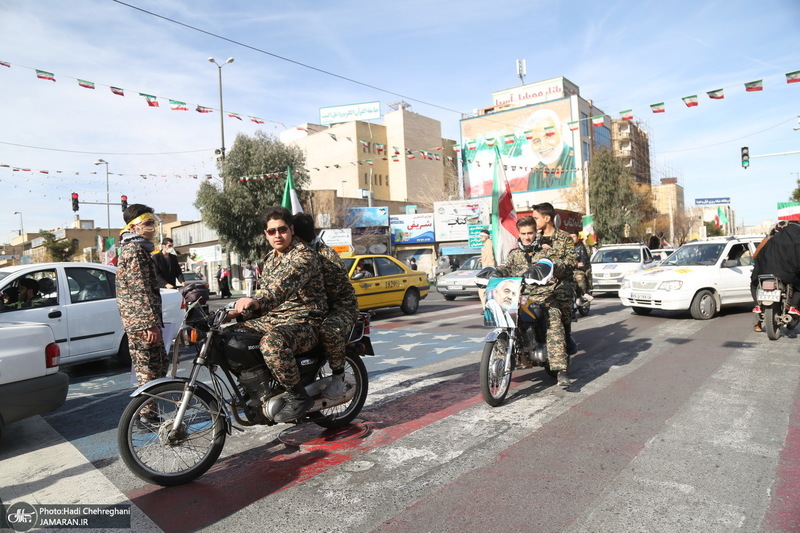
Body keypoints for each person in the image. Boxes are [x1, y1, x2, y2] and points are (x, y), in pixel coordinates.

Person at [230, 207, 327, 423]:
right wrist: (234, 312)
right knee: (232, 336)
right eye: (271, 231)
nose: (277, 235)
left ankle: (298, 396)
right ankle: (259, 387)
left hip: (306, 320)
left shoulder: (304, 256)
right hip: (276, 318)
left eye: (282, 229)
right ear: (265, 234)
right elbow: (265, 291)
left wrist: (256, 302)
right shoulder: (270, 259)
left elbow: (280, 289)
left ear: (291, 229)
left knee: (272, 343)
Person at [496, 204, 576, 387]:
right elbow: (506, 267)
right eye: (523, 234)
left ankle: (561, 370)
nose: (527, 237)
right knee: (502, 315)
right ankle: (502, 353)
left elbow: (560, 265)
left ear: (535, 233)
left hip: (544, 296)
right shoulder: (515, 254)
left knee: (554, 320)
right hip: (520, 295)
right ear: (519, 234)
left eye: (530, 233)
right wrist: (495, 272)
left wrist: (550, 267)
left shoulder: (546, 251)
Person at [292, 213, 359, 400]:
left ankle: (338, 377)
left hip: (340, 306)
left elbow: (332, 293)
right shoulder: (296, 253)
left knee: (329, 330)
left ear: (296, 235)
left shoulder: (326, 257)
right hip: (313, 307)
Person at [116, 203, 169, 423]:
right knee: (149, 370)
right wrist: (149, 324)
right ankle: (146, 416)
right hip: (141, 323)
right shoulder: (135, 251)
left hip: (140, 321)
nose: (152, 228)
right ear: (134, 227)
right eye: (147, 224)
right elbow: (139, 289)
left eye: (153, 223)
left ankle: (148, 412)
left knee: (158, 366)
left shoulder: (136, 249)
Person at [750, 221, 800, 332]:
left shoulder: (767, 240)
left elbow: (755, 256)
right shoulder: (793, 241)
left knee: (755, 286)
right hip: (786, 274)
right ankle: (793, 306)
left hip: (764, 273)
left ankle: (757, 309)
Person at [525, 108, 576, 191]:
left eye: (548, 136)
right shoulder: (535, 173)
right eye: (536, 141)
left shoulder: (575, 161)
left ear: (561, 131)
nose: (543, 146)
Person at [570, 231, 594, 302]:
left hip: (579, 269)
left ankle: (584, 293)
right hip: (569, 269)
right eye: (570, 237)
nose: (572, 239)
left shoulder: (582, 246)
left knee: (579, 276)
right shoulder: (567, 247)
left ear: (578, 237)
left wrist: (585, 243)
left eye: (573, 237)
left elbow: (585, 257)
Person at [479, 229, 496, 306]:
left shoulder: (489, 243)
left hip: (488, 269)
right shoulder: (486, 244)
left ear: (486, 236)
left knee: (482, 290)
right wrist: (482, 259)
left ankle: (486, 308)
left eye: (482, 236)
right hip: (486, 267)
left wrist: (490, 269)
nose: (480, 237)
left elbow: (491, 256)